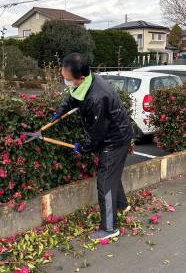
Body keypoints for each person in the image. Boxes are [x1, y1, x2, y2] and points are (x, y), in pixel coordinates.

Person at [51, 52, 133, 240]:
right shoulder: (86, 82)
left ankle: (110, 228)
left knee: (105, 180)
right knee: (112, 174)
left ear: (80, 77)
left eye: (67, 79)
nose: (66, 82)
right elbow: (74, 97)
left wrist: (84, 147)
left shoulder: (97, 97)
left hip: (115, 139)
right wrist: (60, 112)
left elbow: (97, 133)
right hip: (113, 133)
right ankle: (121, 205)